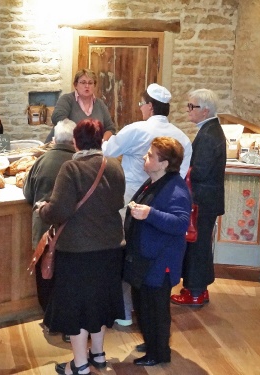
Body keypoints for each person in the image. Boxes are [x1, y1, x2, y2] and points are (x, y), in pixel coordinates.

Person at [37, 119, 125, 375]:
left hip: (77, 250)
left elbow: (59, 211)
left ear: (76, 141)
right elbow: (117, 201)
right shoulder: (115, 166)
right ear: (99, 141)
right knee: (99, 303)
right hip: (110, 247)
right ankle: (97, 355)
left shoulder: (71, 168)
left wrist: (42, 209)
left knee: (76, 307)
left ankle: (79, 364)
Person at [102, 83, 192, 326]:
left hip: (130, 197)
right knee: (152, 257)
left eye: (142, 104)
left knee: (126, 253)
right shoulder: (183, 138)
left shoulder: (135, 130)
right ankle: (147, 315)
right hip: (164, 201)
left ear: (150, 106)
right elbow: (180, 177)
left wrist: (105, 138)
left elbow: (108, 151)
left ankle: (123, 311)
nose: (140, 109)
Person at [124, 136, 191, 366]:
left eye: (151, 155)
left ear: (164, 163)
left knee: (156, 309)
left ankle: (159, 352)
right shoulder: (154, 180)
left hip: (161, 261)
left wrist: (150, 214)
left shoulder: (176, 189)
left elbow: (181, 222)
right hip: (147, 258)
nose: (146, 157)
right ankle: (152, 342)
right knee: (143, 304)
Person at [170, 89, 226, 307]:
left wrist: (183, 169)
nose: (188, 110)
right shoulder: (209, 130)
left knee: (197, 246)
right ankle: (197, 289)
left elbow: (200, 171)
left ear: (205, 111)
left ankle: (194, 291)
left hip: (203, 200)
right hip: (206, 199)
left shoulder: (210, 135)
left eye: (191, 106)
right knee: (199, 244)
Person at [23, 119, 76, 313]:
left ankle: (48, 314)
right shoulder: (78, 161)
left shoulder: (41, 161)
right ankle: (66, 317)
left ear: (54, 139)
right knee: (67, 275)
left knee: (45, 272)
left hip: (44, 228)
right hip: (71, 230)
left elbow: (28, 195)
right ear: (74, 140)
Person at [44, 69, 116, 143]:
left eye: (90, 83)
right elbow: (57, 117)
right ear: (75, 85)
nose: (87, 86)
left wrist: (102, 141)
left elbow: (110, 128)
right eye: (83, 82)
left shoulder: (100, 104)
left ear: (94, 85)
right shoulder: (67, 99)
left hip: (91, 149)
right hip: (64, 147)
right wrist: (80, 134)